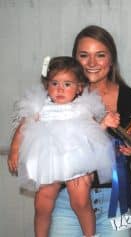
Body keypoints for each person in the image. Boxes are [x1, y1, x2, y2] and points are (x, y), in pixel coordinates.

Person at [49, 25, 131, 237]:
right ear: (74, 59)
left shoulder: (130, 97)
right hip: (67, 200)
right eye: (84, 55)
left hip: (118, 202)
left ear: (111, 59)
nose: (92, 63)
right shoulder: (61, 94)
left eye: (100, 55)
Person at [7, 56, 119, 237]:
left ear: (79, 87)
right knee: (42, 204)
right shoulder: (40, 107)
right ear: (46, 85)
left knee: (80, 202)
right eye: (54, 83)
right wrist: (14, 151)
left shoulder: (82, 108)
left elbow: (95, 134)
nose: (60, 89)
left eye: (67, 84)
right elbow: (23, 128)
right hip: (49, 161)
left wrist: (105, 123)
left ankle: (90, 235)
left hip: (76, 161)